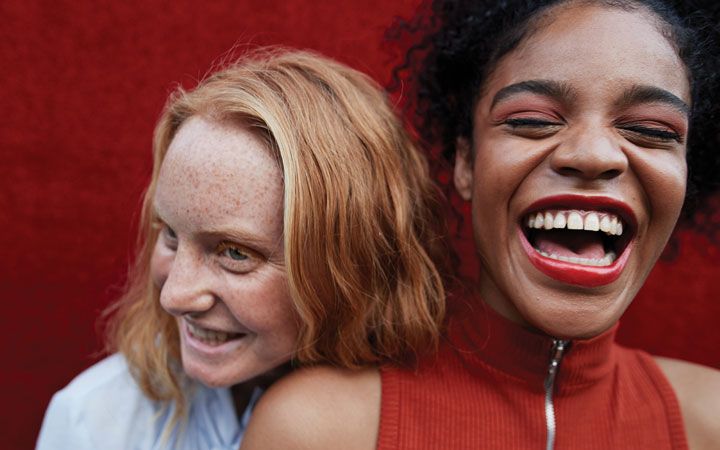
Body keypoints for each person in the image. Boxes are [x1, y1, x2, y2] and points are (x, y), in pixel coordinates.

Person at [239, 2, 720, 449]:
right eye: (533, 120)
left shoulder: (710, 420)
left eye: (651, 130)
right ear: (465, 161)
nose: (594, 154)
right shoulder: (321, 428)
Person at [36, 48, 449, 450]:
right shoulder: (93, 425)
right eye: (171, 234)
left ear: (351, 263)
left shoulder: (433, 415)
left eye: (234, 253)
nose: (174, 296)